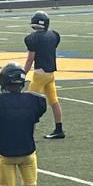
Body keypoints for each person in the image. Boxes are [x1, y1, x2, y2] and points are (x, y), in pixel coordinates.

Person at [24, 11, 64, 139]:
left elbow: (30, 59)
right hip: (51, 74)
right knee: (54, 101)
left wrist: (23, 74)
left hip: (40, 75)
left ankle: (28, 134)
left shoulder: (32, 38)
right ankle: (59, 129)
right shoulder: (54, 35)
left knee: (30, 104)